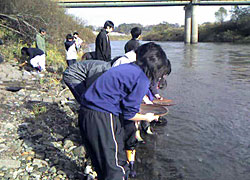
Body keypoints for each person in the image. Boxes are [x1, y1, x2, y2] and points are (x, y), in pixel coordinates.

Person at [78, 42, 171, 180]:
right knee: (116, 167)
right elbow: (129, 114)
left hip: (86, 112)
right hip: (102, 115)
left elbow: (124, 101)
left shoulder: (128, 68)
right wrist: (148, 118)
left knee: (102, 163)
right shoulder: (141, 78)